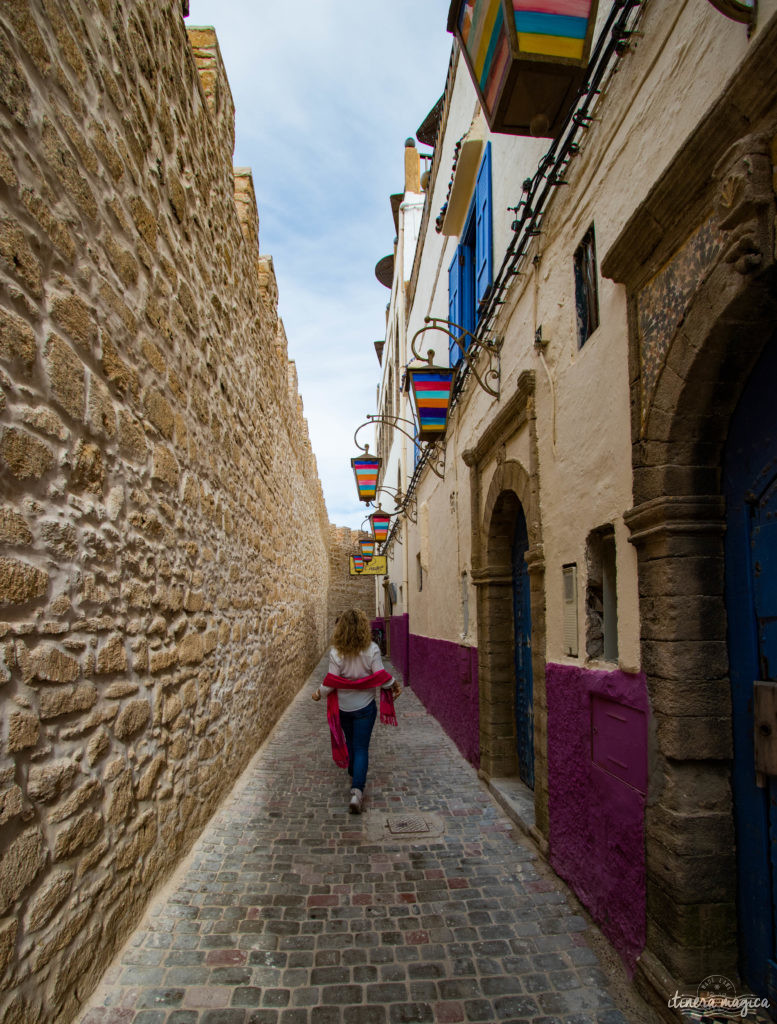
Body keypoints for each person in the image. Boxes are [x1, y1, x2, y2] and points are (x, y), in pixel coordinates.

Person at [312, 608, 401, 813]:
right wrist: (394, 683)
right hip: (365, 708)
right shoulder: (372, 649)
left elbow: (330, 683)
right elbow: (380, 675)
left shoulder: (336, 652)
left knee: (351, 743)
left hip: (343, 707)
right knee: (361, 748)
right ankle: (357, 792)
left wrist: (318, 692)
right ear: (363, 627)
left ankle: (354, 773)